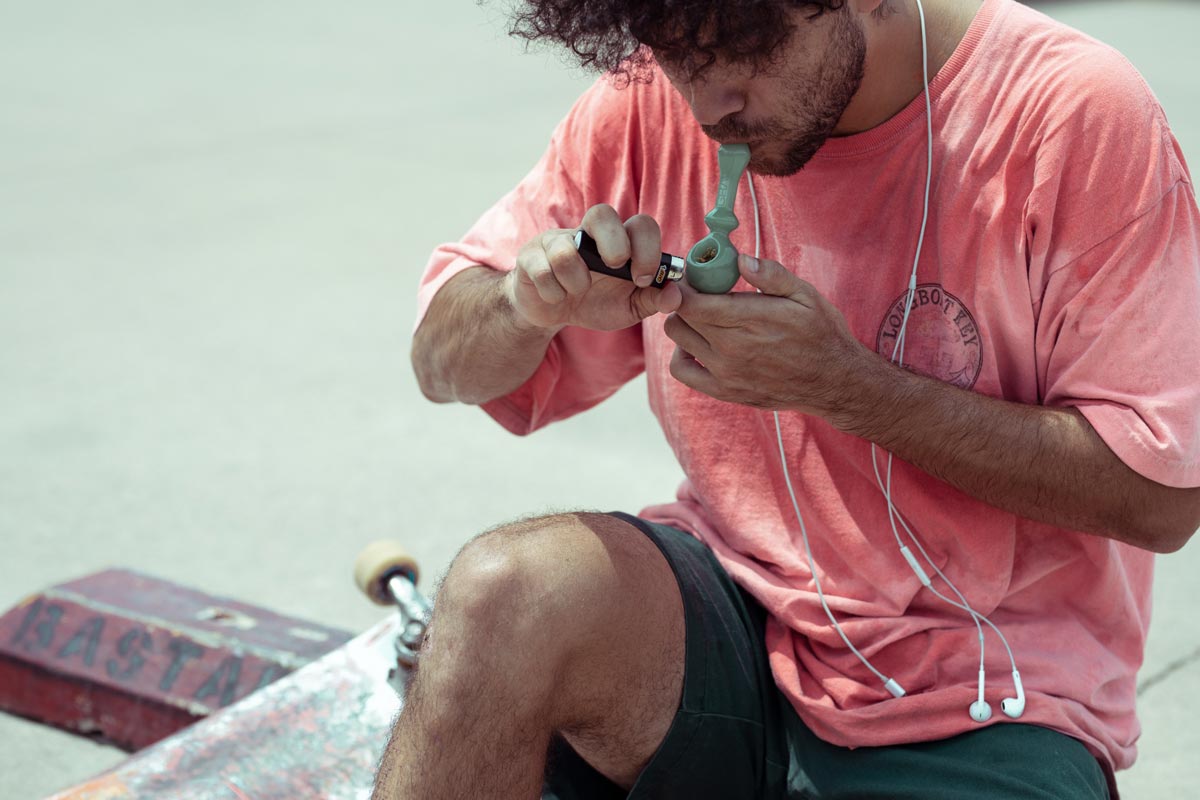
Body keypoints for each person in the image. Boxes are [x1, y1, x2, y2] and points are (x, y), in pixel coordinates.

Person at [376, 0, 1200, 797]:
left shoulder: (1070, 112)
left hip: (992, 687)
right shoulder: (647, 104)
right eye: (677, 51)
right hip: (740, 609)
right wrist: (526, 305)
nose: (707, 106)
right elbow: (440, 362)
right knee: (502, 594)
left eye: (746, 42)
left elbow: (1165, 495)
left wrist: (844, 387)